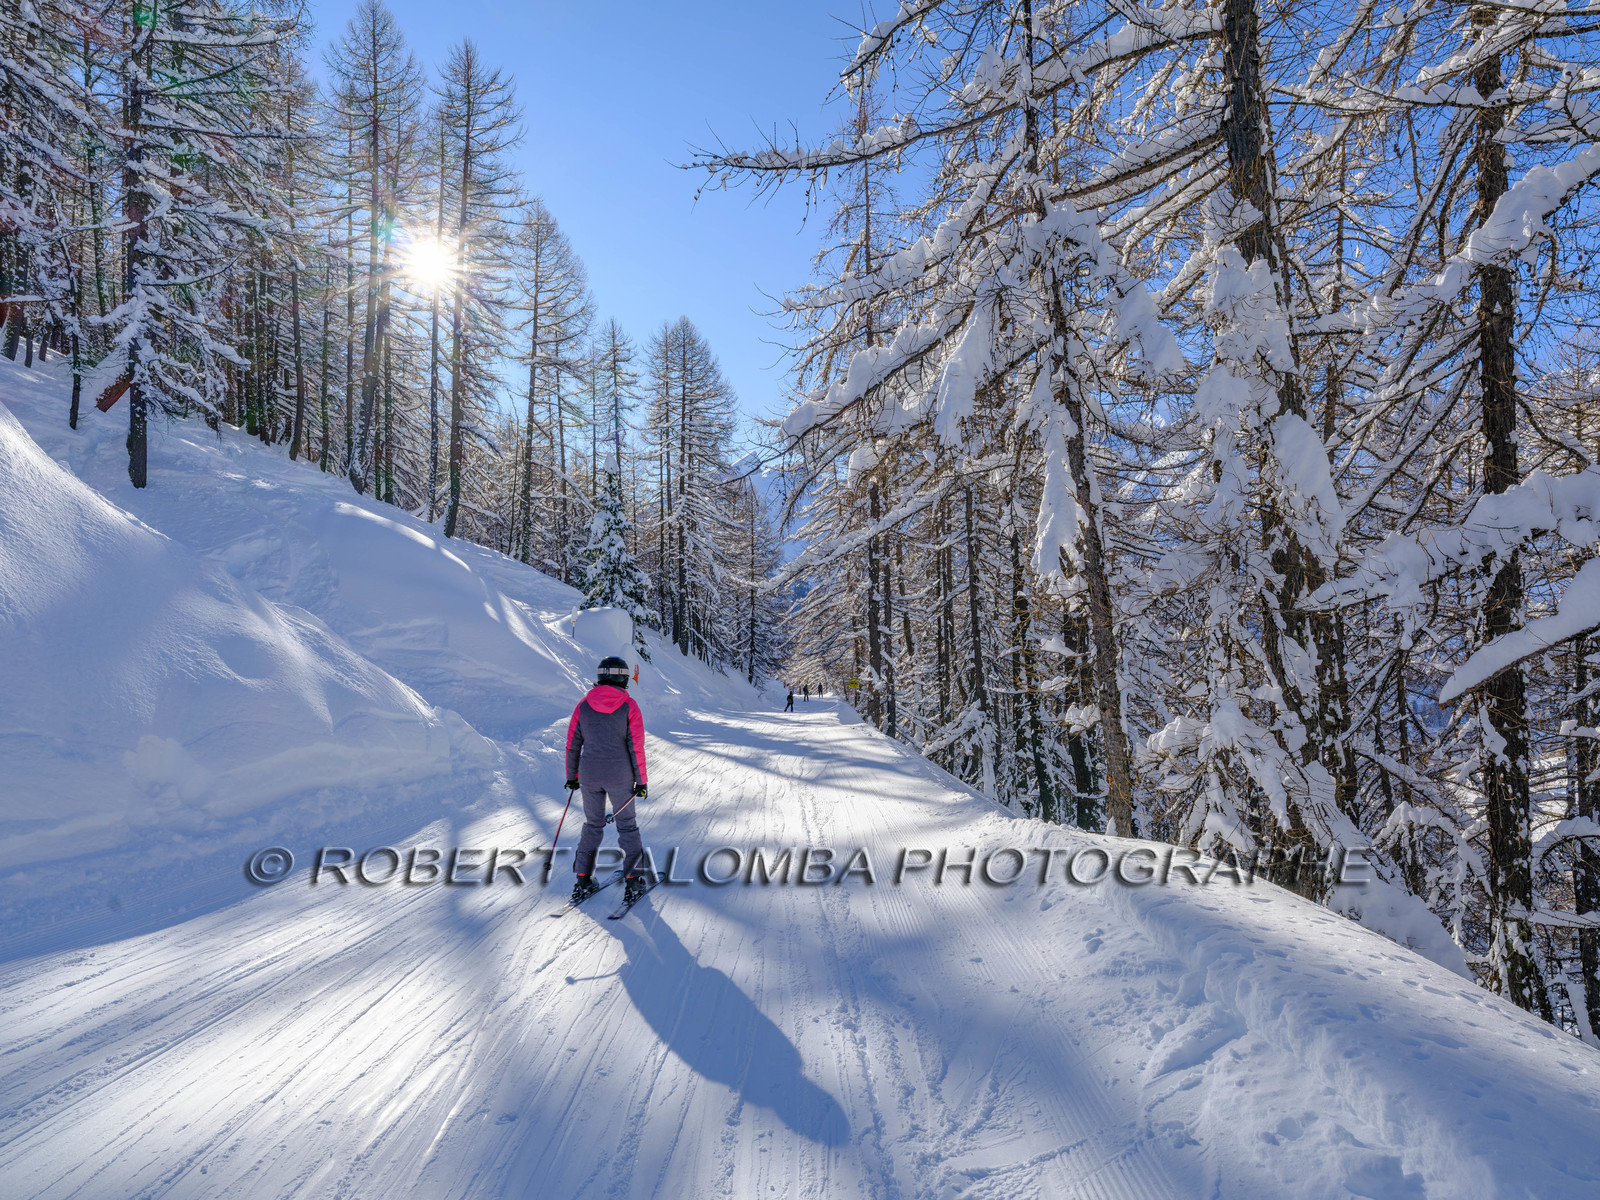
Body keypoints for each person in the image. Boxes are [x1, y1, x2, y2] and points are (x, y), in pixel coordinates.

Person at [564, 655, 648, 906]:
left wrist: (571, 776)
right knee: (627, 827)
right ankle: (634, 881)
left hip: (589, 775)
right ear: (623, 678)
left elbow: (572, 745)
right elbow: (636, 747)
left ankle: (583, 878)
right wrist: (641, 781)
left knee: (592, 825)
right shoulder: (629, 705)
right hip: (620, 776)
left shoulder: (583, 705)